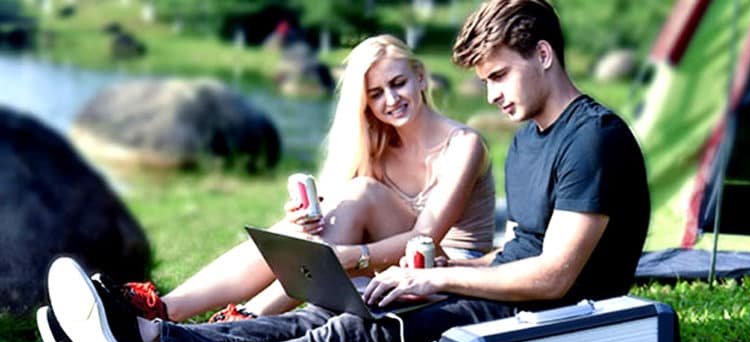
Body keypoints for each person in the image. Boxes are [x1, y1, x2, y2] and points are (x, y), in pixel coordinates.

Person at [37, 0, 651, 342]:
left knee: (350, 339)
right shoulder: (530, 138)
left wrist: (430, 275)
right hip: (497, 289)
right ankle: (152, 335)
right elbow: (522, 249)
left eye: (499, 76)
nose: (491, 93)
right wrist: (429, 279)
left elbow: (555, 277)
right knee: (328, 318)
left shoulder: (593, 138)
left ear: (544, 55)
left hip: (549, 320)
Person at [117, 34, 495, 323]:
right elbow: (342, 217)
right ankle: (166, 308)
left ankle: (247, 318)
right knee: (301, 229)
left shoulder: (464, 144)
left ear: (421, 77)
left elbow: (424, 239)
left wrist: (351, 256)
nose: (390, 100)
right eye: (375, 94)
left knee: (360, 193)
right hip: (389, 257)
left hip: (447, 267)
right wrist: (306, 221)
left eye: (398, 84)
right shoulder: (378, 145)